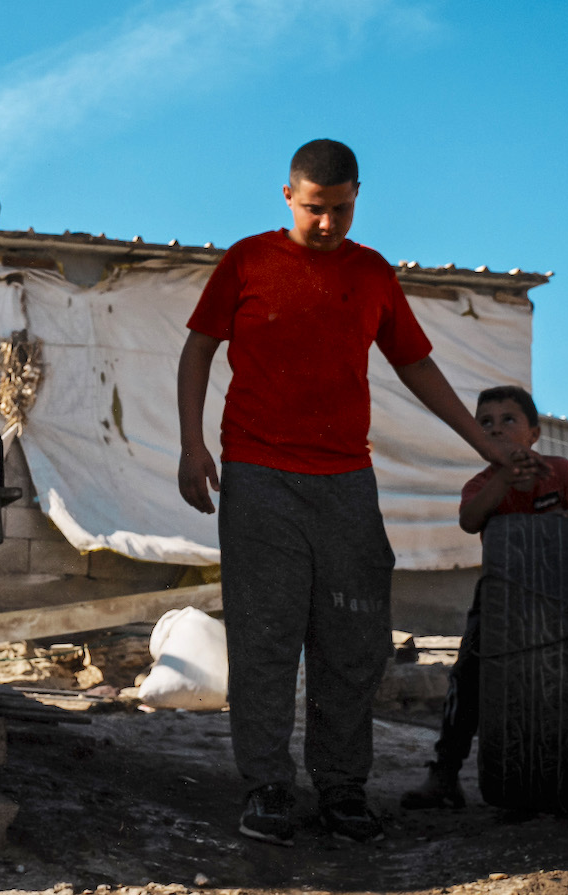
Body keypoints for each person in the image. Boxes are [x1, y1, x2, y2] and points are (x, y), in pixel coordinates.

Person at [175, 138, 539, 847]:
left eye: (340, 209)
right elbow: (198, 348)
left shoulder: (371, 274)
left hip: (346, 481)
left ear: (357, 196)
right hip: (258, 474)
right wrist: (192, 443)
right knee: (266, 636)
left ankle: (342, 787)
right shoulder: (248, 260)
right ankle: (268, 786)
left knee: (352, 637)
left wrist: (485, 444)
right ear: (288, 196)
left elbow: (417, 365)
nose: (326, 224)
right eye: (314, 209)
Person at [401, 386, 568, 809]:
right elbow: (471, 522)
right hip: (500, 595)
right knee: (469, 668)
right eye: (485, 423)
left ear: (534, 433)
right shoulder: (482, 483)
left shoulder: (560, 472)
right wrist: (505, 476)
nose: (496, 428)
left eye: (509, 419)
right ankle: (445, 772)